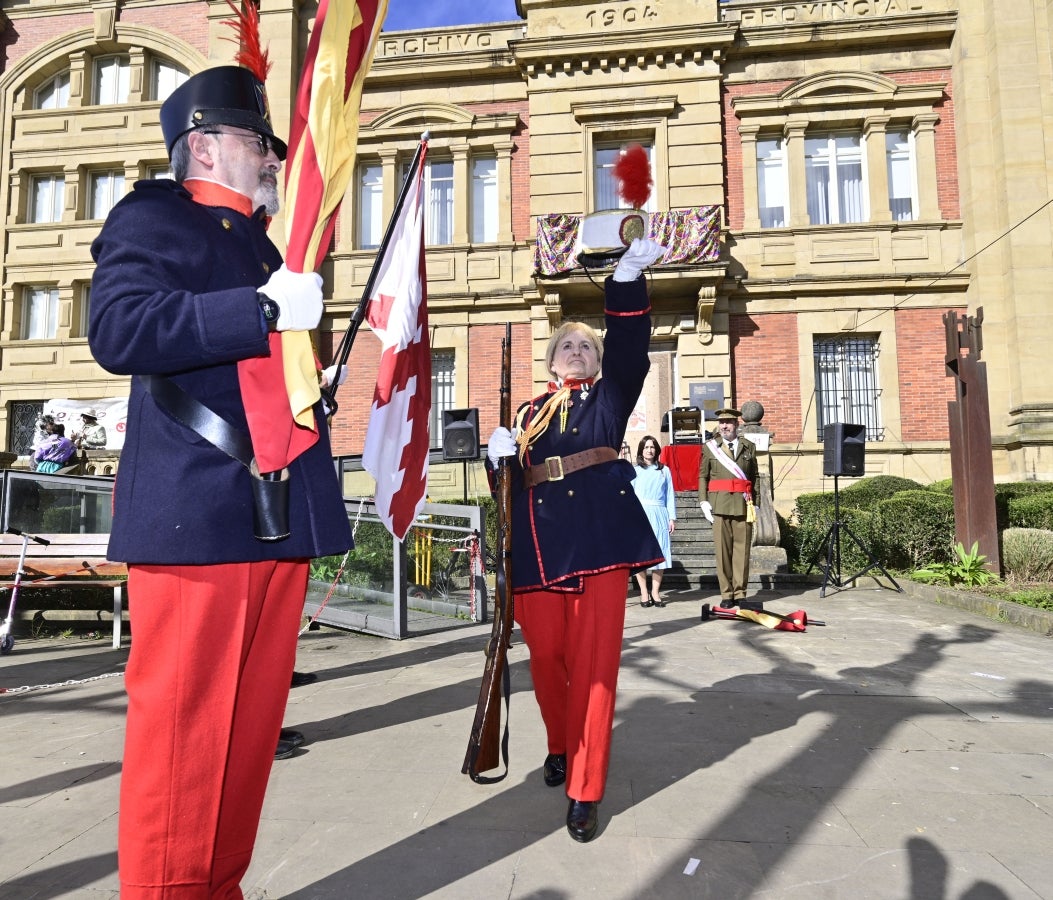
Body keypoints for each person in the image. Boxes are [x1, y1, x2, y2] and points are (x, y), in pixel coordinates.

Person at [88, 64, 352, 898]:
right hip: (200, 512)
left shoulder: (264, 243)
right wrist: (265, 311)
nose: (271, 158)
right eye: (255, 142)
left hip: (276, 510)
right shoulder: (154, 215)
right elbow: (120, 328)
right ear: (203, 144)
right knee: (183, 743)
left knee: (243, 741)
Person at [487, 237, 667, 844]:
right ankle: (560, 745)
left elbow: (630, 352)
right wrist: (499, 461)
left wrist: (626, 282)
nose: (575, 350)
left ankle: (585, 789)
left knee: (593, 671)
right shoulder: (529, 414)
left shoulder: (609, 398)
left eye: (585, 345)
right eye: (565, 343)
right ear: (549, 359)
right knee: (547, 664)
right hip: (538, 552)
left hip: (598, 543)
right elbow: (507, 494)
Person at [698, 407, 759, 608]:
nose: (724, 426)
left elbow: (755, 477)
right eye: (722, 422)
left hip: (743, 504)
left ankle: (740, 593)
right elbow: (703, 476)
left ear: (736, 425)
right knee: (723, 553)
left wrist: (755, 503)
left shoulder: (748, 447)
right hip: (719, 505)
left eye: (729, 422)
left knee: (742, 552)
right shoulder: (710, 447)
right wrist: (703, 501)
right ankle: (726, 594)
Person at [631, 435, 676, 607]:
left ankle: (656, 592)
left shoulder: (664, 471)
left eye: (652, 447)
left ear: (656, 450)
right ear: (641, 450)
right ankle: (643, 592)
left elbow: (670, 495)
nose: (649, 450)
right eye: (646, 447)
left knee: (661, 552)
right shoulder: (635, 471)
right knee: (641, 554)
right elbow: (630, 496)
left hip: (660, 513)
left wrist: (672, 517)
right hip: (641, 513)